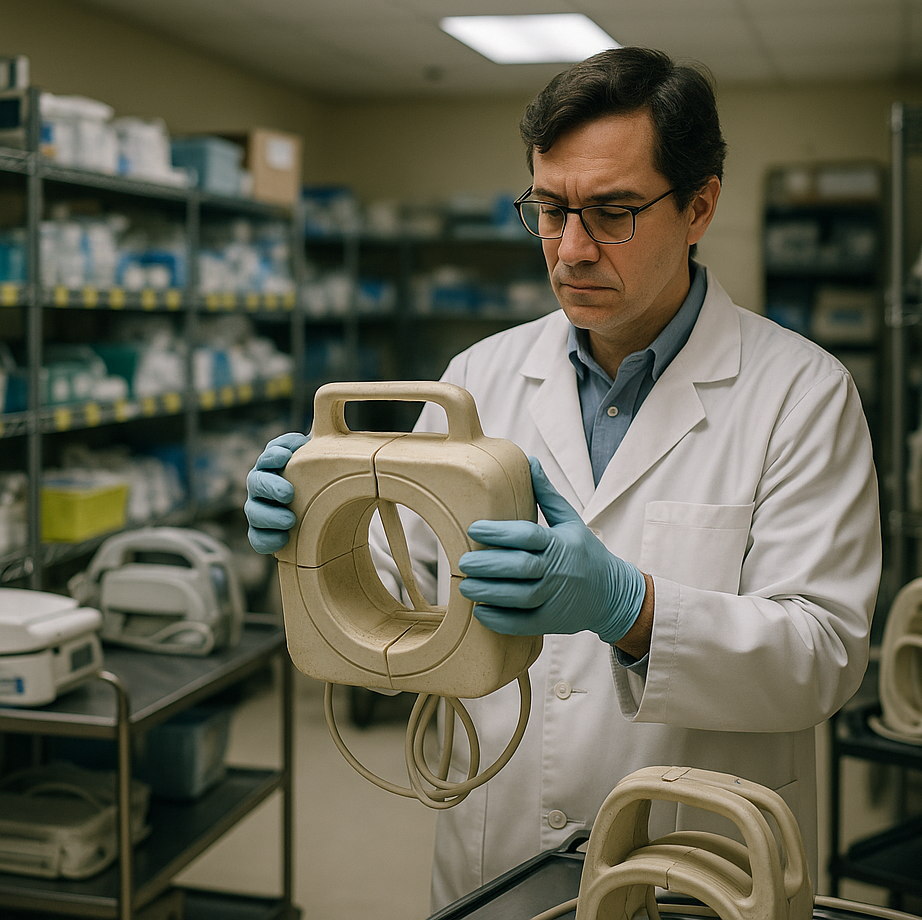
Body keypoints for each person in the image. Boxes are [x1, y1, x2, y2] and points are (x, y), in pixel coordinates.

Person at [245, 47, 882, 911]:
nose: (571, 249)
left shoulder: (801, 393)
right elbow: (416, 588)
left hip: (692, 862)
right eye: (549, 209)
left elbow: (825, 657)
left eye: (612, 212)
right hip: (494, 845)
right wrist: (323, 540)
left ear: (700, 205)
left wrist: (632, 609)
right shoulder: (477, 374)